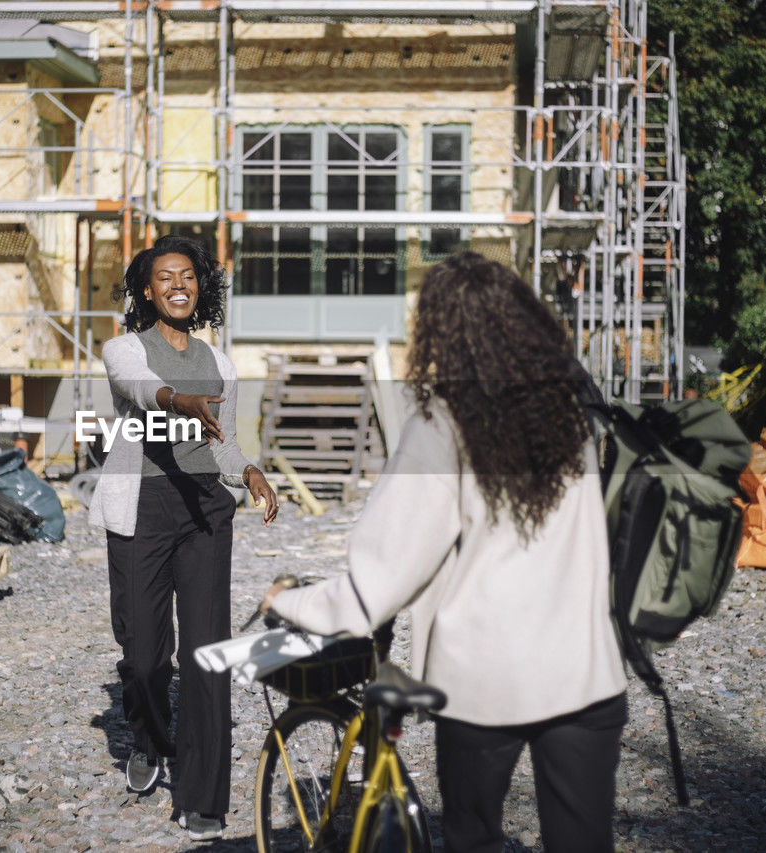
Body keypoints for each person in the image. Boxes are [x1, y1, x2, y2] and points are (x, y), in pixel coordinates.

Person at [262, 252, 627, 853]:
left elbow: (378, 581)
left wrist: (293, 601)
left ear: (441, 332)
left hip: (489, 680)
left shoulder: (445, 424)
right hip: (587, 670)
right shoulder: (570, 414)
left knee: (473, 840)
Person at [88, 233, 278, 842]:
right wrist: (178, 399)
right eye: (166, 277)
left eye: (189, 277)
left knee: (205, 656)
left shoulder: (220, 364)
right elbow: (140, 390)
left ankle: (203, 800)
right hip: (142, 506)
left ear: (202, 290)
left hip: (204, 512)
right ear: (147, 290)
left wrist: (247, 470)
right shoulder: (124, 350)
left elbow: (224, 439)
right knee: (144, 656)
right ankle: (148, 736)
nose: (178, 285)